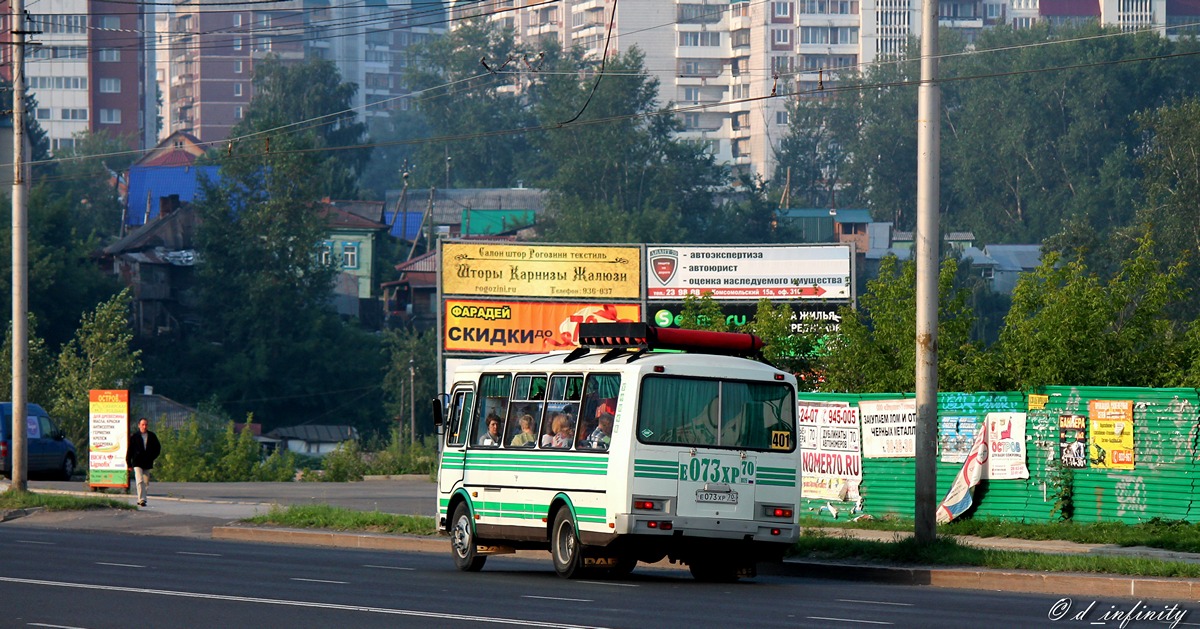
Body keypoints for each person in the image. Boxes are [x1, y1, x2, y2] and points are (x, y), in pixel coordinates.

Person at [126, 417, 162, 507]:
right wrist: (128, 463)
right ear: (139, 425)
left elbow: (158, 448)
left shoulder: (152, 436)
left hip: (147, 462)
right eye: (142, 424)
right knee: (140, 480)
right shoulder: (135, 437)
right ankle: (142, 499)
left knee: (146, 482)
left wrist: (152, 457)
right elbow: (130, 450)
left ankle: (142, 499)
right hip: (137, 462)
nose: (144, 426)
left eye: (146, 424)